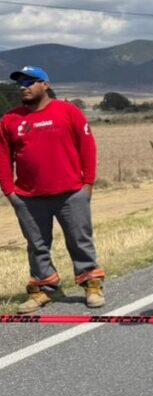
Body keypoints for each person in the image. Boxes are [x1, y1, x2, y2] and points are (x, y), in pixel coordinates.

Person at [0, 65, 106, 313]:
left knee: (80, 240)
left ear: (45, 85)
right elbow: (3, 158)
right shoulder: (10, 120)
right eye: (20, 83)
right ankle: (44, 288)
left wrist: (87, 185)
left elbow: (87, 147)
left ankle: (91, 283)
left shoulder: (68, 111)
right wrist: (10, 192)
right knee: (37, 245)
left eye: (30, 82)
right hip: (28, 197)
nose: (23, 87)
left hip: (71, 193)